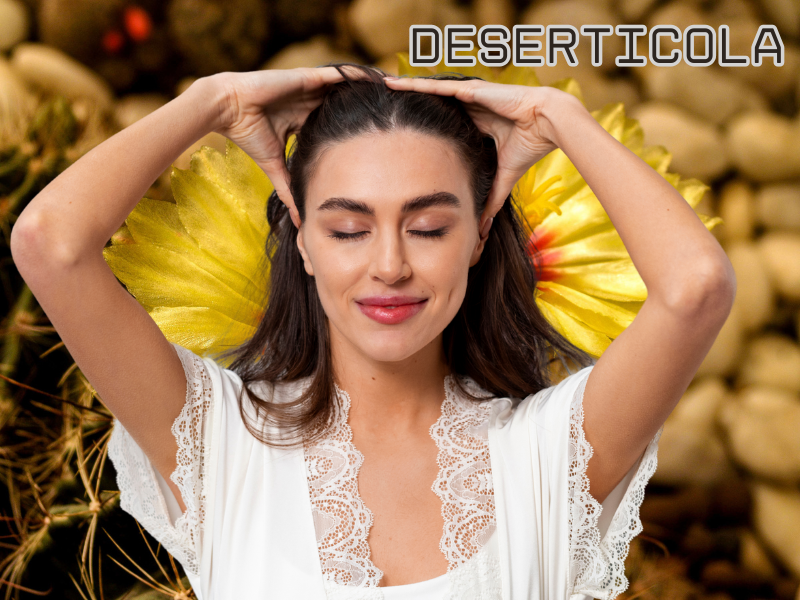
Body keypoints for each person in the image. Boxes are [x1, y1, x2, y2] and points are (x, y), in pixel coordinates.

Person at [10, 63, 736, 599]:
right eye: (349, 228)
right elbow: (50, 243)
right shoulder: (216, 442)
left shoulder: (548, 458)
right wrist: (215, 101)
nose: (389, 265)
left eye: (427, 227)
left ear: (479, 237)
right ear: (302, 239)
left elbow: (695, 287)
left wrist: (558, 121)